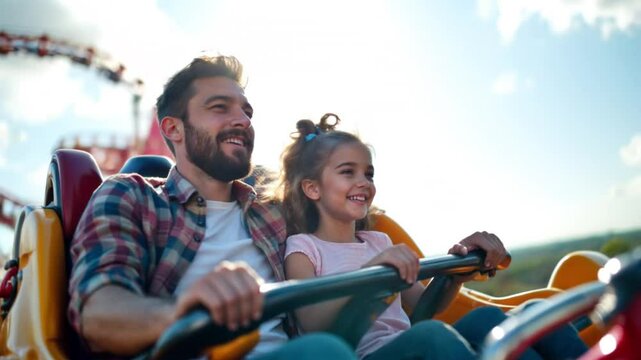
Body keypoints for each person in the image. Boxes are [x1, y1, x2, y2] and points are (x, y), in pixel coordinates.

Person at [67, 55, 356, 359]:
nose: (243, 120)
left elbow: (344, 217)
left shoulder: (274, 210)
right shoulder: (130, 195)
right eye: (220, 107)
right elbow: (97, 314)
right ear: (174, 129)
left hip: (297, 350)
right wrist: (181, 312)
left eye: (247, 112)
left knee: (411, 341)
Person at [276, 114, 588, 359]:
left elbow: (424, 307)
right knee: (432, 335)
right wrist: (370, 275)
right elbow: (313, 323)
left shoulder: (378, 242)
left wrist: (455, 274)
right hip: (366, 355)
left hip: (411, 347)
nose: (364, 182)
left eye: (368, 173)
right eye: (348, 172)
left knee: (510, 315)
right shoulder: (303, 248)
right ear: (312, 188)